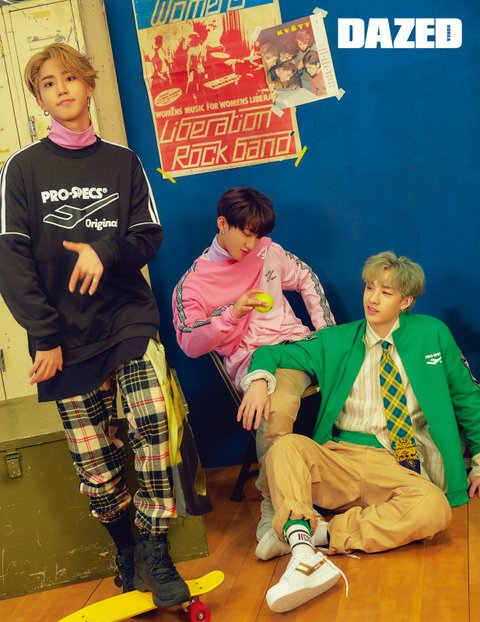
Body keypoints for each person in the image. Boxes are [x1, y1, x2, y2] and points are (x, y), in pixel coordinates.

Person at [0, 43, 207, 608]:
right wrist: (43, 335)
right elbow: (11, 259)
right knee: (94, 456)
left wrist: (104, 250)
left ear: (89, 85)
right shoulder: (22, 168)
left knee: (154, 422)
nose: (61, 89)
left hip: (125, 315)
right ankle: (126, 549)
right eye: (48, 83)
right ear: (39, 98)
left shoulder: (123, 162)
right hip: (62, 332)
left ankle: (156, 545)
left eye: (70, 78)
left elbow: (147, 235)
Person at [238, 251, 480, 613]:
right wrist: (258, 381)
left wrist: (479, 458)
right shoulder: (336, 339)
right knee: (285, 448)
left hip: (400, 463)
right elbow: (273, 353)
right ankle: (303, 558)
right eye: (369, 288)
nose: (373, 298)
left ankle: (314, 534)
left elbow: (467, 395)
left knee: (434, 509)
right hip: (341, 458)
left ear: (406, 301)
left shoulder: (432, 333)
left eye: (386, 292)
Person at [172, 187, 335, 543]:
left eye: (258, 235)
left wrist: (326, 333)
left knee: (368, 362)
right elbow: (189, 341)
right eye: (246, 234)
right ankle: (275, 510)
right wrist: (232, 313)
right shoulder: (194, 283)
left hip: (301, 347)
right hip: (259, 364)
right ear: (222, 223)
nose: (252, 244)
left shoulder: (268, 251)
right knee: (274, 410)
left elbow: (305, 277)